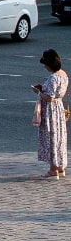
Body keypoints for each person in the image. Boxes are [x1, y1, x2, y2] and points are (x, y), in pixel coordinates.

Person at [33, 49, 68, 179]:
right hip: (59, 108)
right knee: (59, 138)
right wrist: (43, 88)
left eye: (45, 64)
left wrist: (38, 91)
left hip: (51, 111)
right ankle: (60, 167)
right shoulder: (63, 74)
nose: (44, 67)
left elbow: (49, 97)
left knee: (51, 138)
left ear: (50, 64)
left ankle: (53, 170)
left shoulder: (53, 77)